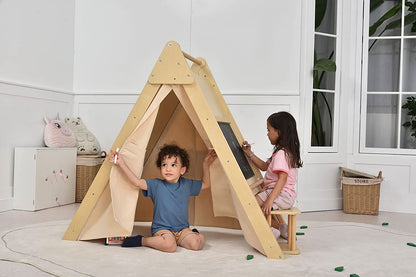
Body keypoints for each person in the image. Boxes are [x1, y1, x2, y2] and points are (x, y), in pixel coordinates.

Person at [107, 144, 217, 253]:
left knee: (196, 244)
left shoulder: (187, 185)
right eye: (164, 164)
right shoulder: (156, 185)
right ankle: (142, 240)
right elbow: (137, 182)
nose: (168, 168)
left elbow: (206, 184)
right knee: (170, 246)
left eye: (173, 165)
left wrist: (205, 164)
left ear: (182, 170)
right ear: (160, 168)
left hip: (182, 229)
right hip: (162, 229)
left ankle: (193, 234)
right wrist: (122, 164)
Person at [242, 111, 302, 239]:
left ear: (278, 132)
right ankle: (280, 228)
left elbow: (282, 178)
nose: (267, 134)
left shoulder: (281, 154)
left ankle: (269, 232)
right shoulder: (282, 152)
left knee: (250, 204)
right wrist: (249, 153)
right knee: (254, 205)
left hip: (280, 193)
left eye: (269, 130)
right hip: (284, 194)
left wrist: (269, 201)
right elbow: (264, 166)